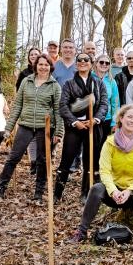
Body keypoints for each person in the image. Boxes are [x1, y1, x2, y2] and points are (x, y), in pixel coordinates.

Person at [68, 104, 133, 250]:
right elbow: (105, 171)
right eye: (129, 117)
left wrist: (129, 190)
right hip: (115, 191)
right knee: (96, 188)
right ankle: (81, 232)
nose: (132, 121)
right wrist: (113, 190)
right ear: (121, 118)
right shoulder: (110, 142)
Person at [0, 54, 62, 201]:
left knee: (42, 160)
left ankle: (38, 191)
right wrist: (9, 127)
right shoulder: (26, 81)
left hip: (45, 127)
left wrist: (59, 132)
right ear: (35, 66)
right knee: (14, 157)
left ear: (50, 67)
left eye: (46, 64)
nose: (43, 67)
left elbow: (58, 111)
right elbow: (18, 105)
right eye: (40, 64)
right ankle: (0, 187)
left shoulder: (55, 86)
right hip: (25, 125)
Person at [54, 53, 108, 203]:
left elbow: (104, 104)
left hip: (93, 127)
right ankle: (57, 193)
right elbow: (63, 106)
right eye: (80, 60)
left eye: (86, 60)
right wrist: (74, 122)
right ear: (76, 64)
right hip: (74, 128)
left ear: (91, 64)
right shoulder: (69, 84)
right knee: (66, 159)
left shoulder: (99, 84)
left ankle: (86, 194)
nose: (83, 62)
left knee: (90, 161)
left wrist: (95, 120)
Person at [93, 54, 120, 157]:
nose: (104, 64)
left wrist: (114, 121)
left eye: (107, 63)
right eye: (101, 62)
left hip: (106, 118)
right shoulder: (89, 77)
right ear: (96, 64)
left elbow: (115, 103)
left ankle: (100, 171)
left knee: (103, 147)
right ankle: (90, 170)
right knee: (91, 147)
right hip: (91, 118)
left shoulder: (111, 82)